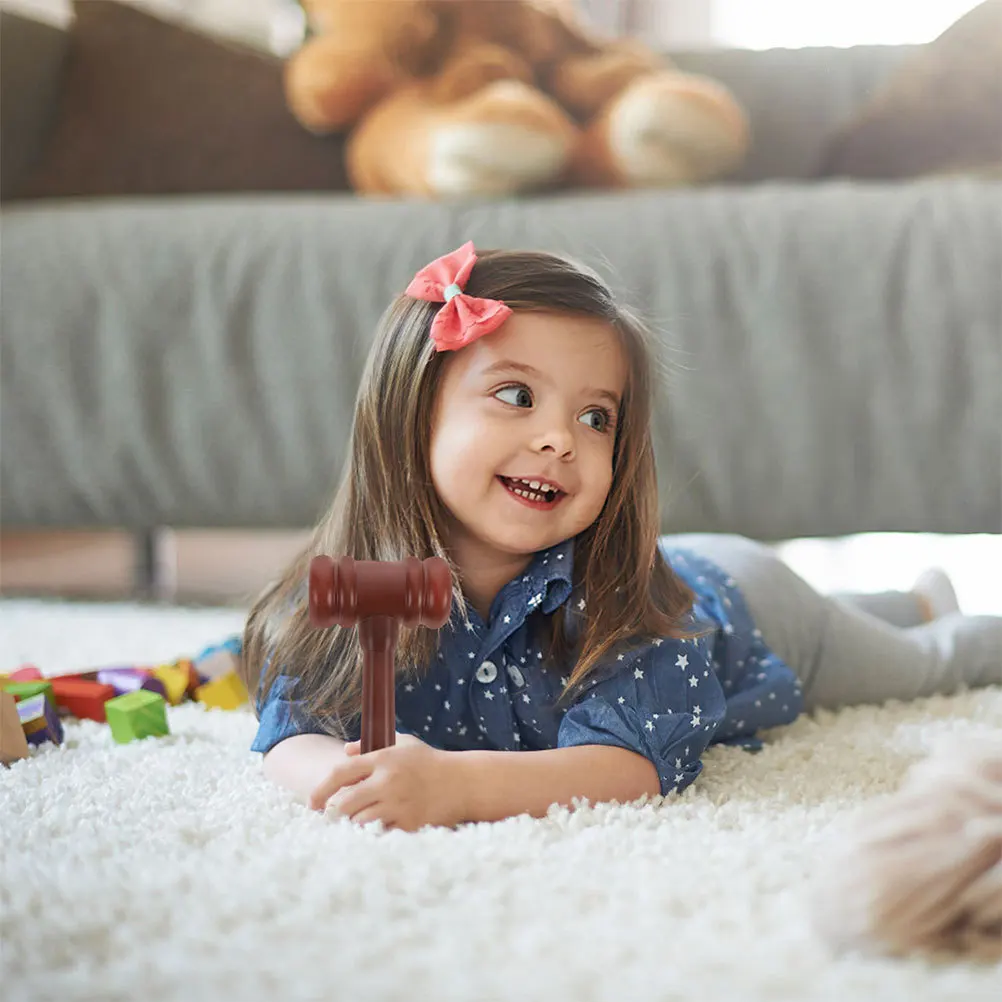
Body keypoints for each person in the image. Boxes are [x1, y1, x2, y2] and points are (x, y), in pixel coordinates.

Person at [229, 242, 1001, 832]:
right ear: (410, 410)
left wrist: (456, 786)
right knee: (878, 617)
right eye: (517, 395)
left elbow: (628, 767)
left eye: (596, 417)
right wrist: (346, 779)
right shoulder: (354, 587)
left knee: (917, 666)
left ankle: (936, 618)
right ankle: (910, 597)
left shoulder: (624, 606)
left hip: (755, 607)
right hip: (706, 568)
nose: (560, 440)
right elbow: (290, 731)